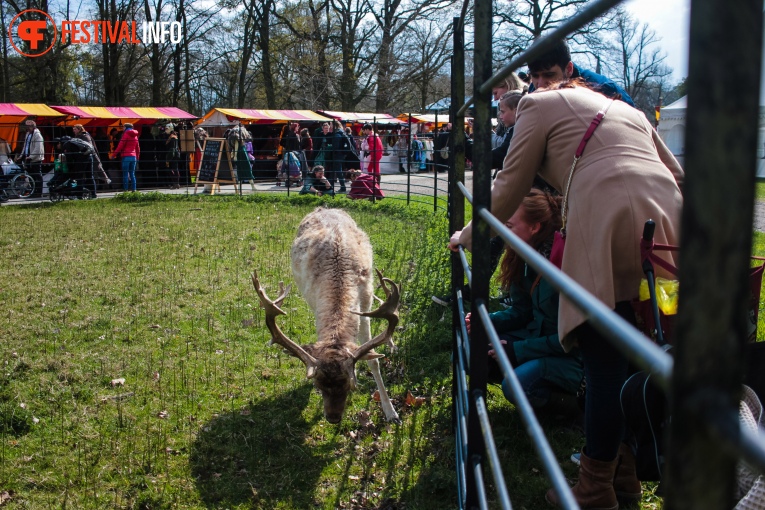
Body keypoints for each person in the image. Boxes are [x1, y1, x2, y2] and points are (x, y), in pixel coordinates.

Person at [448, 80, 683, 509]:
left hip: (606, 212)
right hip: (664, 216)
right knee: (634, 345)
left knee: (602, 358)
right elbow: (677, 175)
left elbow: (509, 186)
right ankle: (624, 474)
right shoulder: (624, 110)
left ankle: (595, 486)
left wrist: (465, 234)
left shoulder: (537, 103)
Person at [464, 189, 583, 415]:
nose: (503, 232)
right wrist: (487, 322)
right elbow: (522, 310)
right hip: (539, 340)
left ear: (534, 227)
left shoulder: (562, 263)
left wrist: (518, 350)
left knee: (515, 387)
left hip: (570, 357)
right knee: (469, 351)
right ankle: (526, 372)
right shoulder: (524, 253)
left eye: (509, 226)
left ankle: (576, 405)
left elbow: (573, 339)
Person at [527, 39, 635, 107]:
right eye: (535, 76)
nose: (540, 85)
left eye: (549, 75)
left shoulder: (604, 89)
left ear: (569, 69)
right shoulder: (533, 89)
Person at [73, 124, 111, 195]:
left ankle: (92, 192)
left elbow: (89, 147)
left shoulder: (85, 136)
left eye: (75, 129)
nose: (74, 131)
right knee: (89, 175)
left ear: (79, 129)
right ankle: (90, 192)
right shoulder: (79, 136)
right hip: (85, 158)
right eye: (73, 129)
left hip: (89, 157)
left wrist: (82, 152)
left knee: (91, 175)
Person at [16, 120, 45, 194]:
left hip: (35, 159)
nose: (28, 128)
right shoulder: (28, 134)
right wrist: (21, 156)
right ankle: (33, 191)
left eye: (29, 126)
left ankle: (38, 192)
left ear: (33, 127)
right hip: (28, 158)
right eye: (27, 126)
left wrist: (31, 156)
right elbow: (25, 146)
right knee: (31, 176)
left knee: (37, 175)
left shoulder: (37, 135)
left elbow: (38, 148)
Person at [113, 123, 140, 192]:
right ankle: (134, 189)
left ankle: (126, 190)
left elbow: (120, 146)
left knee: (125, 174)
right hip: (133, 157)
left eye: (123, 127)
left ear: (126, 127)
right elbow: (137, 148)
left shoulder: (126, 134)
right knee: (132, 174)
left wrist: (114, 155)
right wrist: (137, 157)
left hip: (126, 156)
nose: (122, 129)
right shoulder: (135, 136)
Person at [330, 120, 349, 192]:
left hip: (337, 154)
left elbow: (336, 146)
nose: (330, 126)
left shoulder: (337, 134)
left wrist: (331, 147)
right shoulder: (341, 132)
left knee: (338, 171)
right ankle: (332, 186)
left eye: (331, 124)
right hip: (341, 154)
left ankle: (342, 186)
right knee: (337, 170)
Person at [164, 124, 181, 189]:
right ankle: (176, 183)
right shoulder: (173, 136)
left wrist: (168, 159)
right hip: (175, 155)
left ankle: (175, 183)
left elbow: (172, 149)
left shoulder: (172, 137)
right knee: (175, 169)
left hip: (172, 156)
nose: (166, 130)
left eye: (167, 129)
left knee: (172, 169)